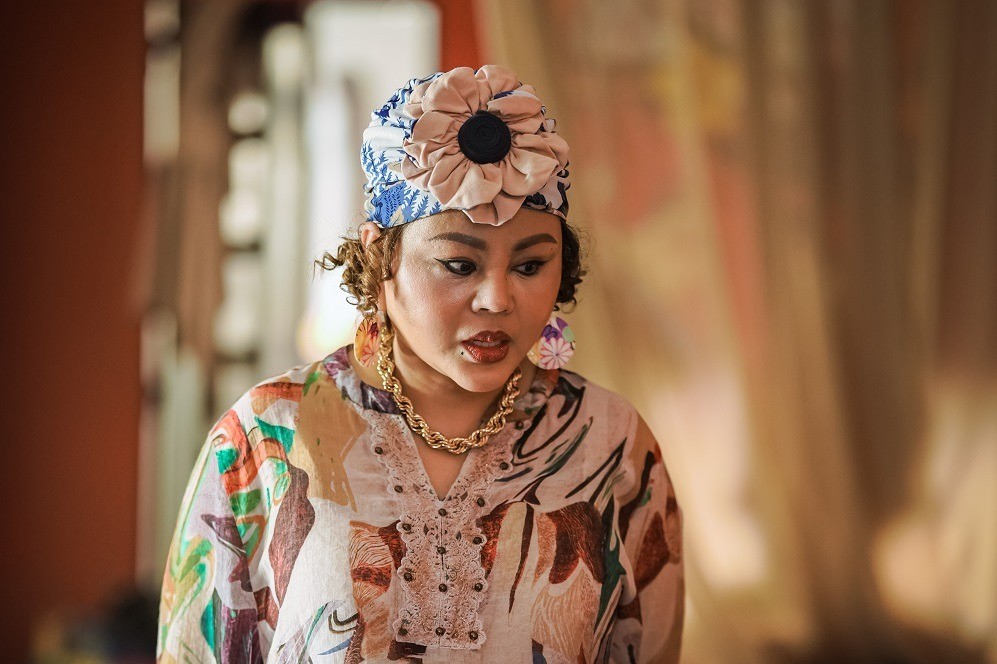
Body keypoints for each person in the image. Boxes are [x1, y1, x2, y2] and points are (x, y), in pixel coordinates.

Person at [156, 64, 684, 664]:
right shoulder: (266, 436)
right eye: (460, 265)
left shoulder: (611, 445)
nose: (497, 299)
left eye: (530, 266)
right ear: (380, 257)